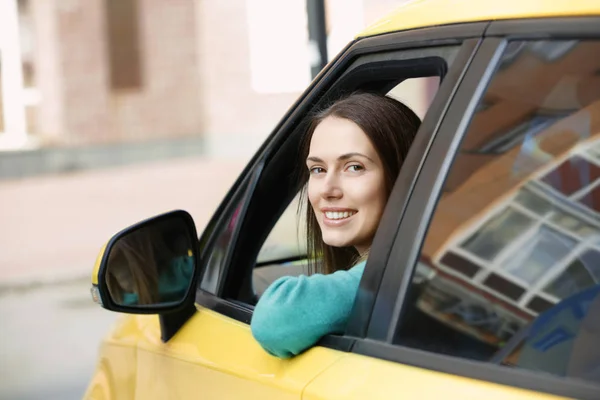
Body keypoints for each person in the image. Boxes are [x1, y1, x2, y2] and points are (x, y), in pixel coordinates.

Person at [250, 92, 421, 358]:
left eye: (354, 167)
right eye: (318, 169)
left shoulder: (406, 276)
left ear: (401, 176)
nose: (327, 190)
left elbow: (275, 320)